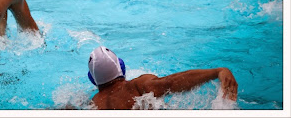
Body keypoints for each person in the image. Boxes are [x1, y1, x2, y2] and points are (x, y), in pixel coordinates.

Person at [87, 46, 238, 110]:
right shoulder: (137, 86)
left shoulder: (93, 104)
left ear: (93, 80)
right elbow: (171, 82)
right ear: (122, 67)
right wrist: (217, 71)